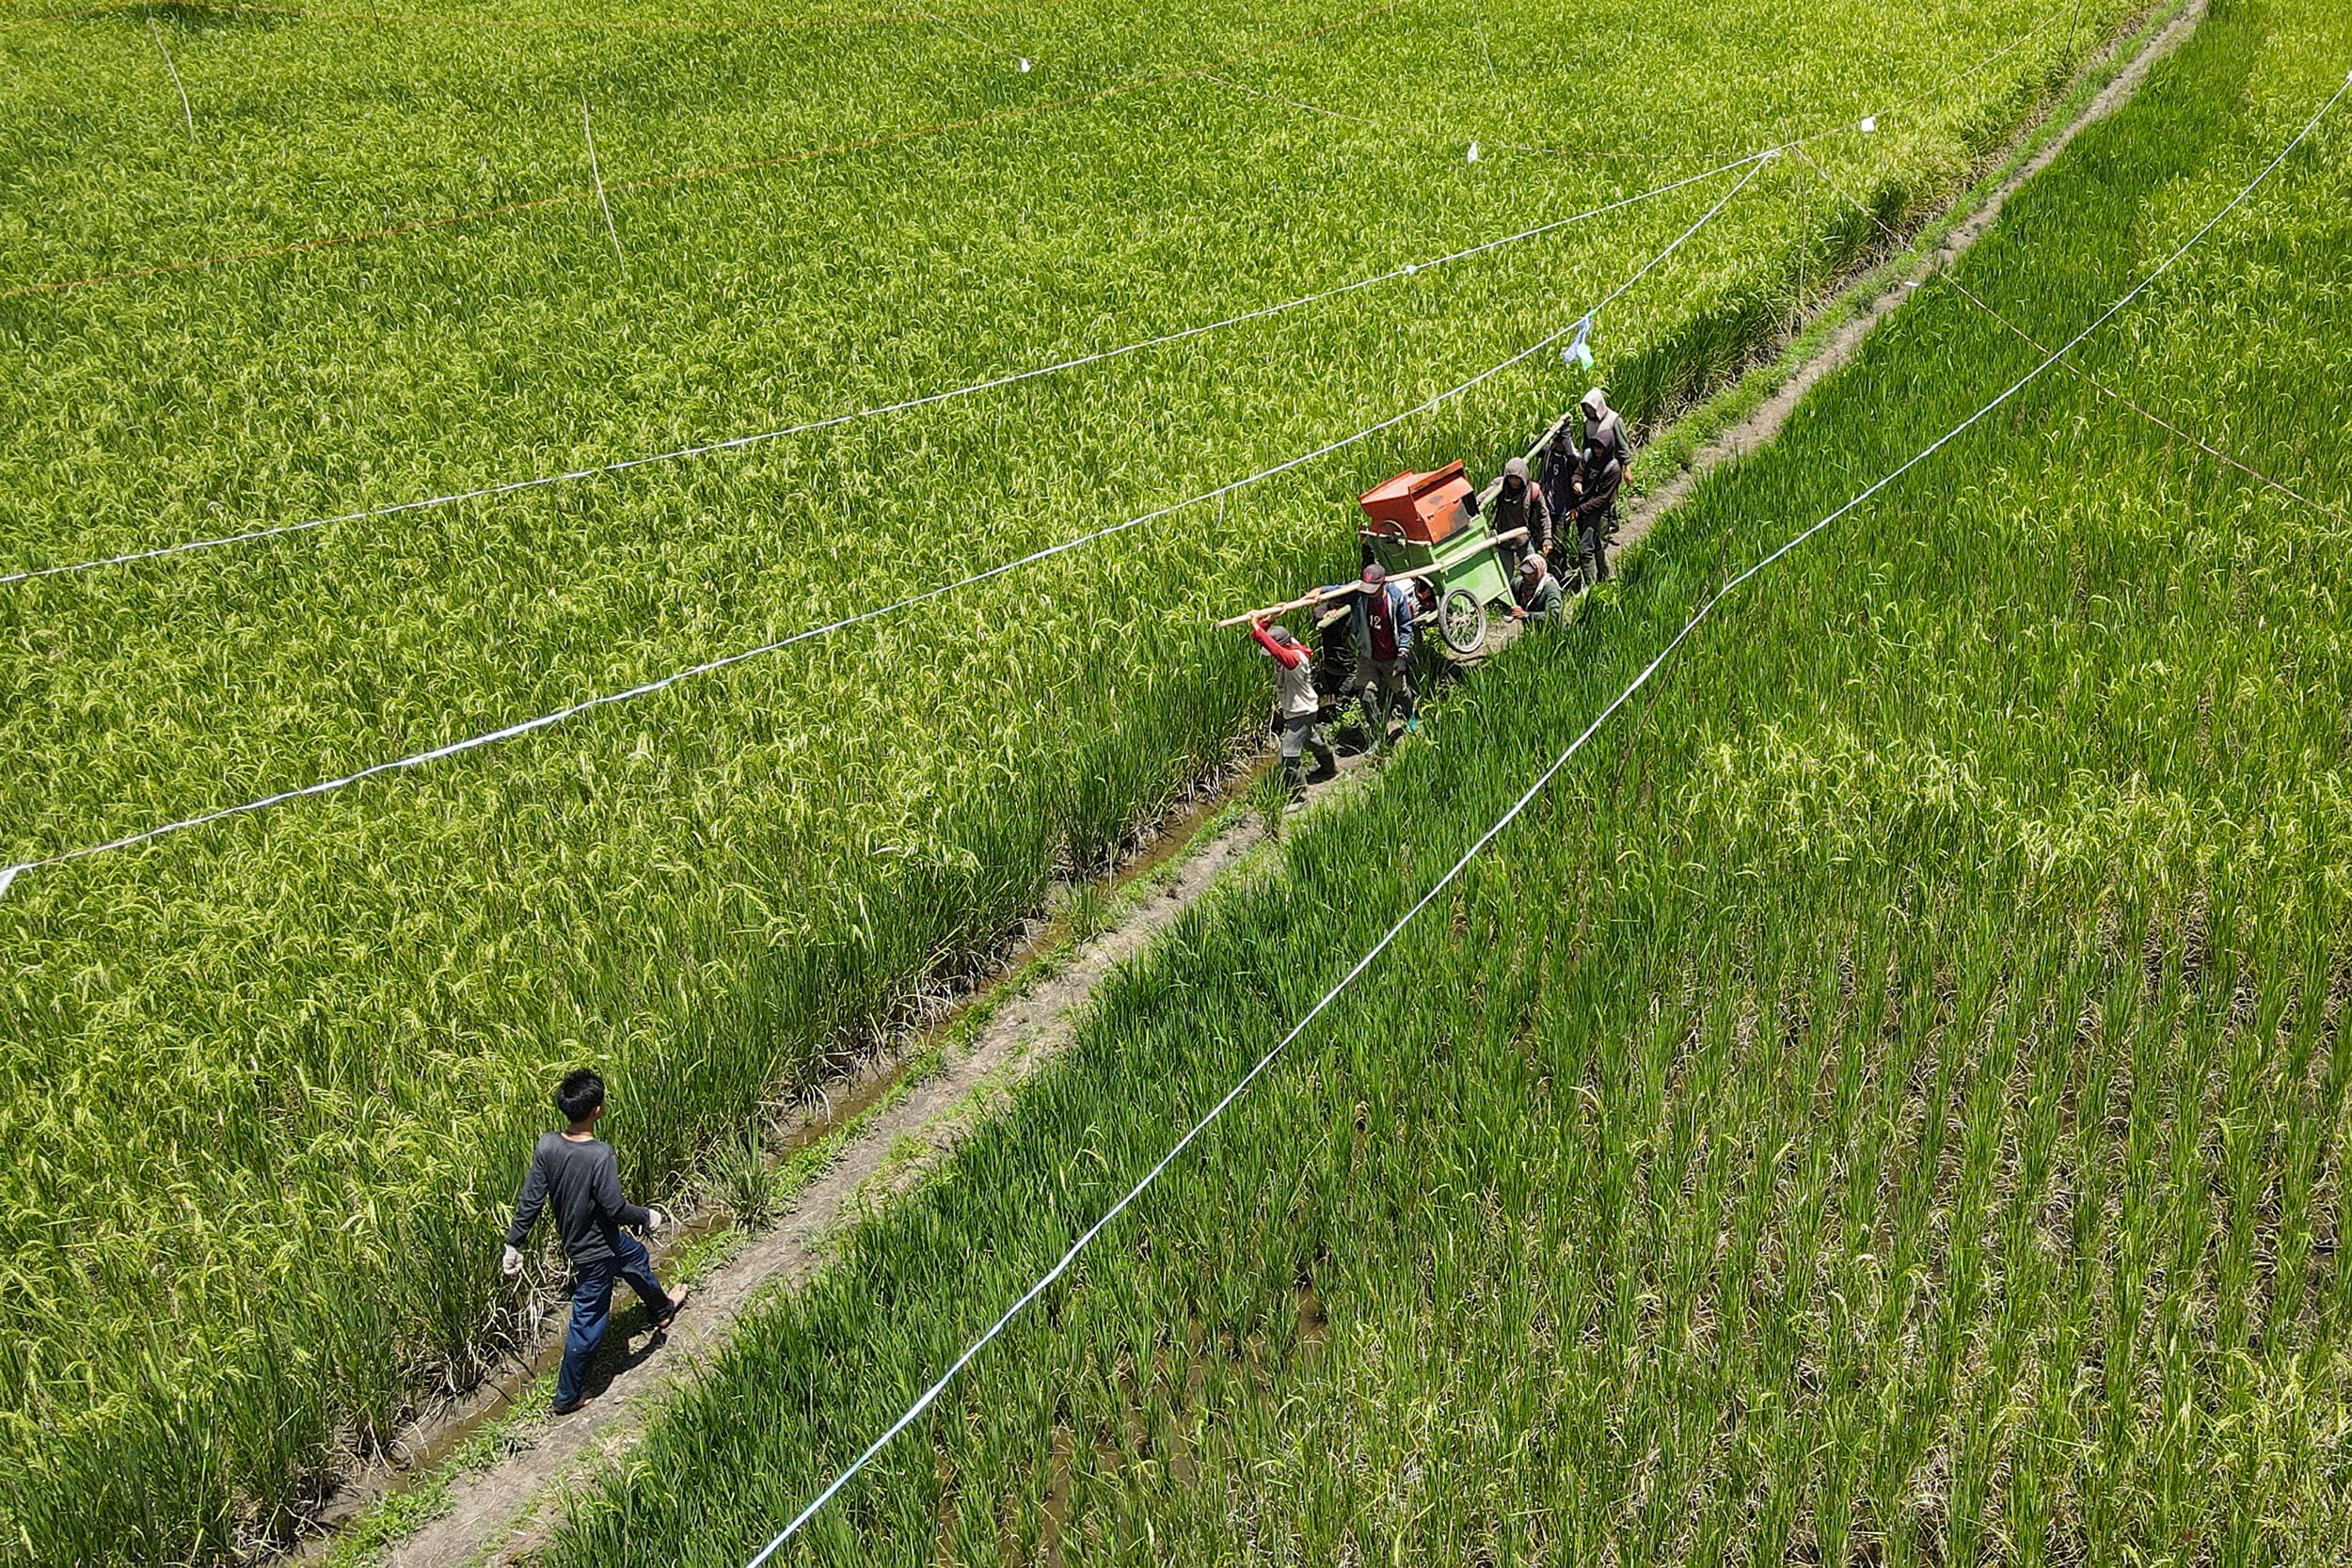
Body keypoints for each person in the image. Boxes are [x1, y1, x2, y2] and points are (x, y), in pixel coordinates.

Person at [503, 1069, 687, 1416]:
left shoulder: (548, 1145)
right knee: (588, 1321)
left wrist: (515, 1243)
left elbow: (531, 1198)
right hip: (595, 1250)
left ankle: (662, 1309)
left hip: (588, 1240)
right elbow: (615, 1207)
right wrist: (646, 1216)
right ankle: (567, 1396)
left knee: (634, 1256)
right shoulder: (599, 1154)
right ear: (597, 1110)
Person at [1250, 617, 1336, 796]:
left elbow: (1273, 647)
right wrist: (1266, 621)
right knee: (1312, 740)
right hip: (1303, 709)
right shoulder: (1292, 644)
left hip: (1301, 713)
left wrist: (1257, 628)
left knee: (1288, 756)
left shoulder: (1294, 659)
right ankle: (1328, 768)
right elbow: (1260, 639)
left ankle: (1299, 796)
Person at [1346, 562, 1418, 743]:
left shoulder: (1396, 598)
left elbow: (1405, 627)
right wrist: (1321, 591)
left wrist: (1402, 658)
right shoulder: (1360, 596)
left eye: (1374, 588)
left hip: (1391, 657)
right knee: (1366, 696)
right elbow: (1338, 590)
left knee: (1401, 691)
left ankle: (1411, 717)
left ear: (1383, 583)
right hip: (1368, 657)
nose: (1369, 592)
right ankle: (1379, 734)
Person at [1570, 388, 1629, 589]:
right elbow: (1584, 458)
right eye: (1585, 408)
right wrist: (1577, 481)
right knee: (1593, 542)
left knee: (1590, 542)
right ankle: (1605, 575)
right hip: (1590, 492)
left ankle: (1592, 585)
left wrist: (1627, 467)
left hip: (1600, 496)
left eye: (1590, 407)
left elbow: (1622, 446)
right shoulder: (1589, 433)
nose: (1588, 411)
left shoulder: (1614, 421)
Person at [1488, 454, 1551, 574]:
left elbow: (1544, 515)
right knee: (1506, 575)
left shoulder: (1533, 491)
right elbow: (1484, 497)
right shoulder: (1500, 487)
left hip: (1524, 538)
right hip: (1504, 539)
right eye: (1511, 478)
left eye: (1517, 478)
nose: (1513, 482)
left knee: (1533, 571)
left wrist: (1547, 538)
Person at [1509, 551, 1563, 626]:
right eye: (1524, 572)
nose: (1527, 576)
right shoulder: (1518, 583)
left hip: (1547, 631)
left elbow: (1552, 616)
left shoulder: (1551, 589)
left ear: (1539, 572)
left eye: (1531, 573)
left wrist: (1526, 615)